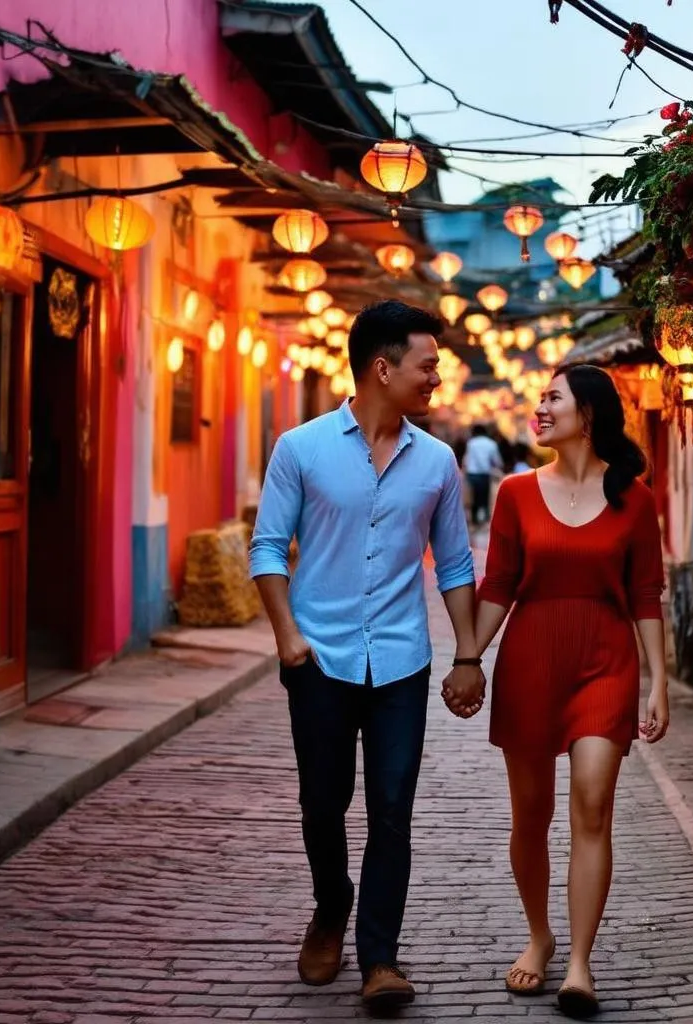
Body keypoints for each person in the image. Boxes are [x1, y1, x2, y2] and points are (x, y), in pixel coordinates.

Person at [249, 300, 486, 1015]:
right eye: (427, 366)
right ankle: (332, 906)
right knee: (322, 805)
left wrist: (468, 656)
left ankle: (379, 955)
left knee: (391, 809)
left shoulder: (438, 461)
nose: (436, 381)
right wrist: (287, 635)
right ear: (382, 368)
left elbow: (452, 563)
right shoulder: (301, 448)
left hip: (402, 666)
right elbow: (266, 547)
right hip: (317, 660)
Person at [469, 363, 668, 1019]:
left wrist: (658, 680)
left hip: (606, 661)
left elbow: (646, 597)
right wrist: (468, 656)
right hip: (531, 660)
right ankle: (539, 935)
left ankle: (579, 960)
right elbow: (498, 585)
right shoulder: (517, 492)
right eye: (541, 399)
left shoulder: (634, 499)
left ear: (589, 413)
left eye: (553, 398)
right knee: (531, 814)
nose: (540, 408)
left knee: (591, 804)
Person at [463, 423, 503, 526]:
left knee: (474, 495)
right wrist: (499, 466)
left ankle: (474, 518)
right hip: (485, 473)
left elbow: (467, 458)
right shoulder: (491, 443)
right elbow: (496, 460)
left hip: (472, 473)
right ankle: (486, 518)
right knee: (484, 495)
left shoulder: (471, 443)